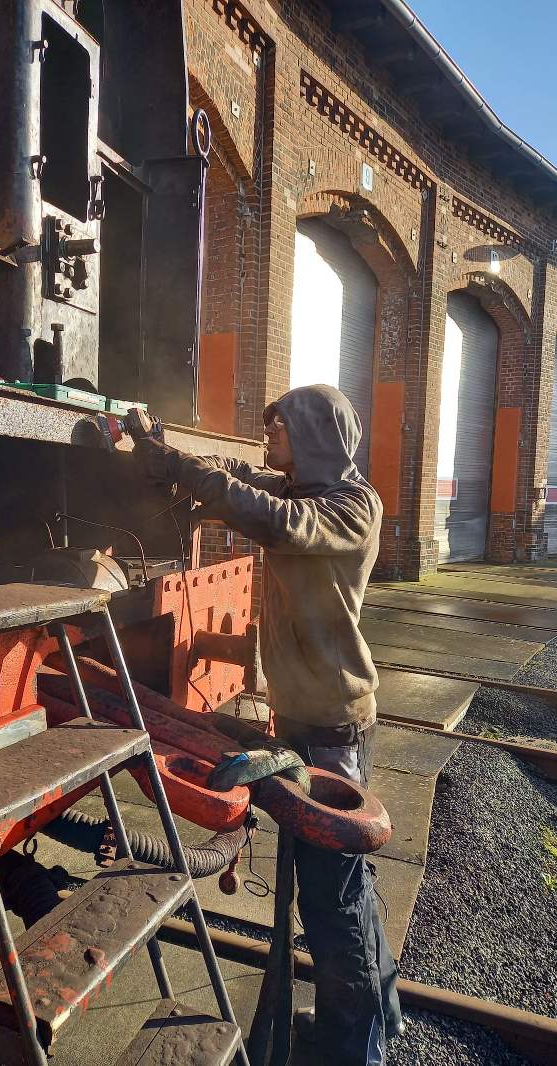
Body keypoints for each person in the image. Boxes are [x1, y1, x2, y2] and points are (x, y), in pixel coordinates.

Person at [133, 383, 403, 1065]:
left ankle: (355, 1051)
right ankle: (378, 1017)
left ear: (313, 434)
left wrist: (183, 469)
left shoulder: (351, 507)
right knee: (342, 884)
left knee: (333, 896)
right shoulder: (304, 489)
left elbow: (277, 521)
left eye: (279, 427)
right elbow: (244, 478)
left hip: (334, 729)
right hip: (306, 720)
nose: (267, 438)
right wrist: (169, 450)